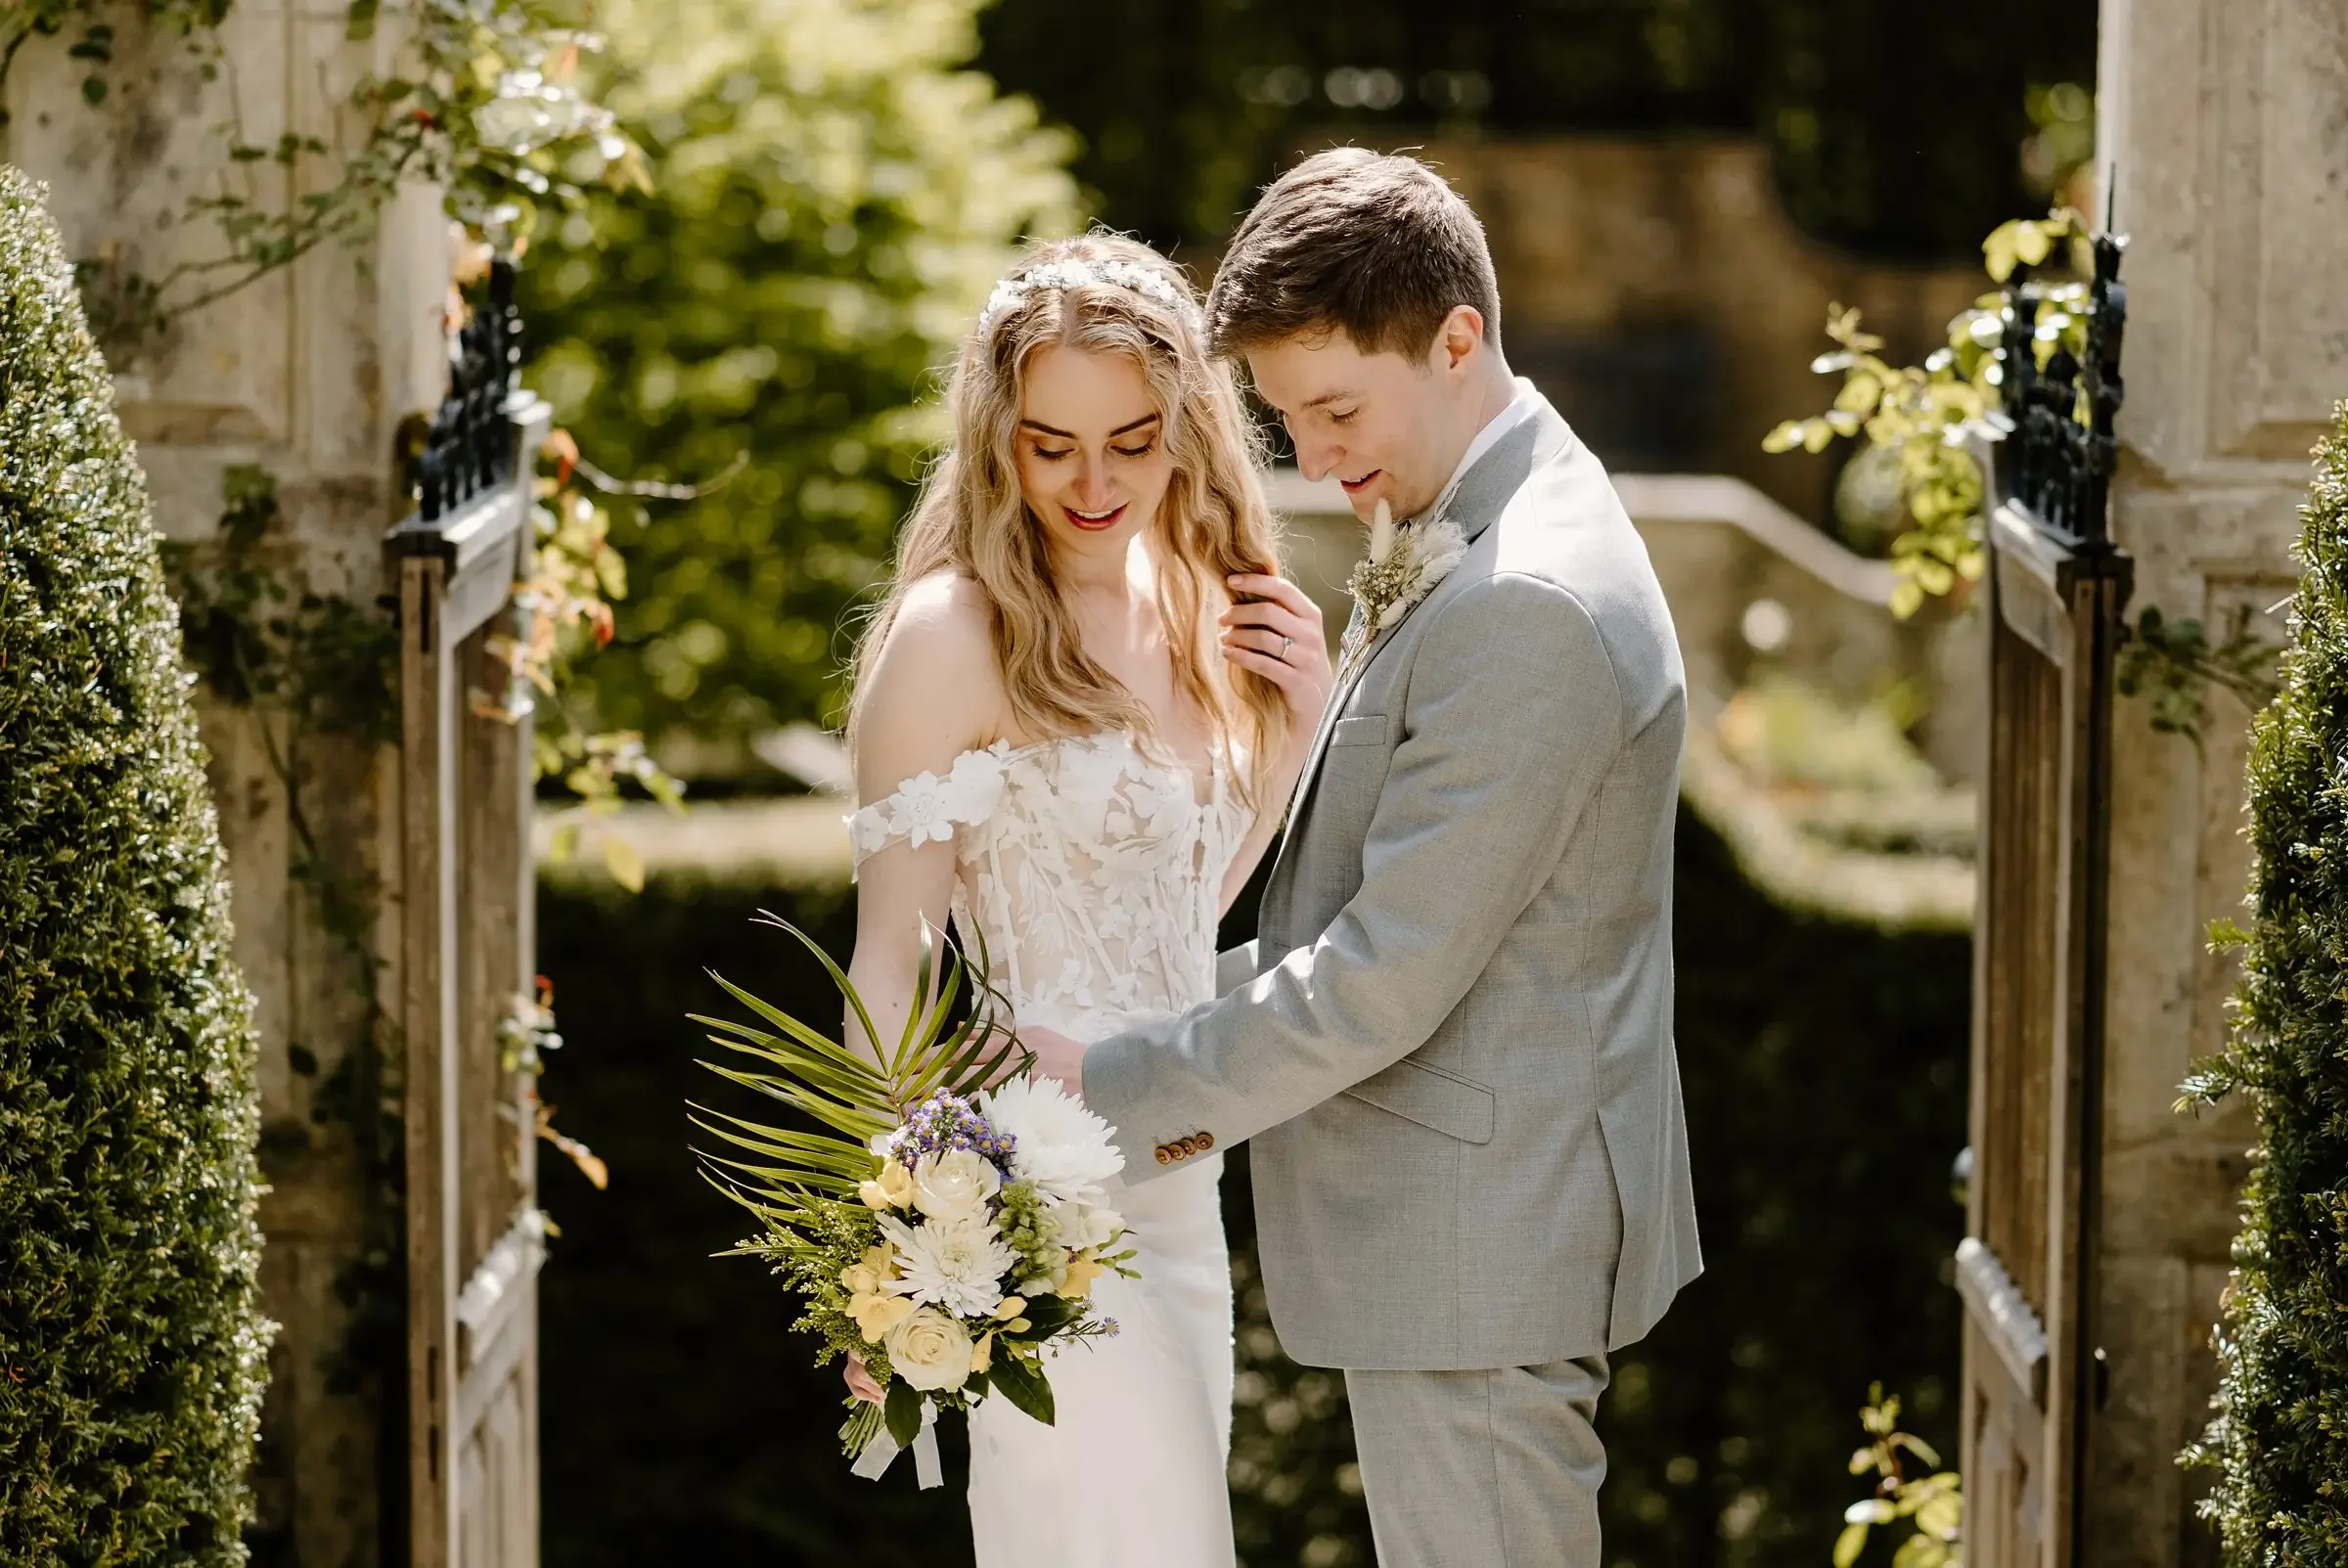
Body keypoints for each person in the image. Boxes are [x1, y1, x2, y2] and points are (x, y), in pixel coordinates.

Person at [1021, 150, 1702, 1567]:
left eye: (1337, 407)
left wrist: (1119, 1080)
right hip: (1474, 1234)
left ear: (1458, 337)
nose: (1320, 459)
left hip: (1485, 1251)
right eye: (1286, 419)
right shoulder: (1495, 515)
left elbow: (1387, 972)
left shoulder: (1528, 598)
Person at [839, 233, 1332, 1568]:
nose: (1094, 481)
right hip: (1038, 1205)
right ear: (997, 435)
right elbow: (891, 956)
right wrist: (905, 1236)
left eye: (1132, 440)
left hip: (1182, 1182)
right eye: (1052, 444)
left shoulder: (1198, 609)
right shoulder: (954, 635)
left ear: (1188, 428)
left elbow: (1182, 915)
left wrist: (1295, 735)